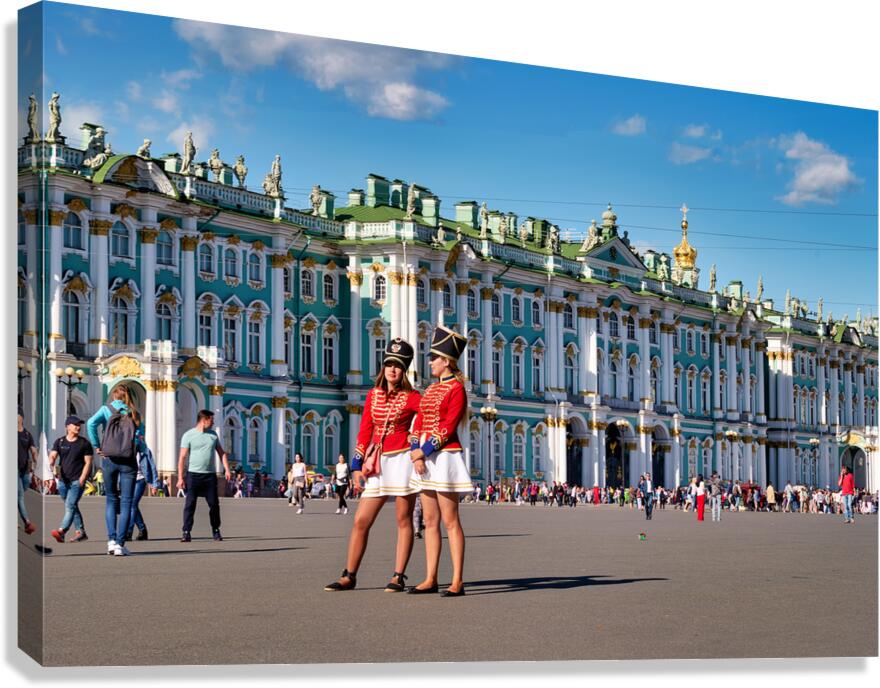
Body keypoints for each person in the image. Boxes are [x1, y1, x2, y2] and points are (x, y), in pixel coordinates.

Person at [325, 338, 421, 593]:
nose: (392, 369)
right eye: (389, 364)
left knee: (403, 519)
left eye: (398, 365)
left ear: (404, 370)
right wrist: (356, 466)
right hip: (377, 462)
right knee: (360, 520)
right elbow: (365, 429)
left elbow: (427, 417)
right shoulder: (372, 395)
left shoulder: (412, 397)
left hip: (401, 461)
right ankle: (349, 575)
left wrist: (416, 441)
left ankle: (398, 576)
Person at [408, 325, 472, 597]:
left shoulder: (457, 389)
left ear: (446, 361)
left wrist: (424, 450)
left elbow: (448, 426)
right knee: (429, 522)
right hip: (426, 459)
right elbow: (418, 421)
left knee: (450, 521)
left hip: (445, 457)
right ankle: (430, 577)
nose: (430, 362)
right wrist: (415, 452)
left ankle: (457, 580)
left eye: (433, 358)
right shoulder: (430, 390)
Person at [87, 384, 144, 556]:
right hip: (128, 461)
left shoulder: (106, 409)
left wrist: (97, 446)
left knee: (111, 499)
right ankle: (120, 544)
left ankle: (111, 541)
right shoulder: (135, 414)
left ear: (114, 397)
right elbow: (139, 440)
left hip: (109, 459)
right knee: (126, 502)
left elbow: (90, 424)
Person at [177, 409, 232, 542]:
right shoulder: (188, 435)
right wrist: (180, 477)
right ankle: (186, 532)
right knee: (190, 504)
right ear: (204, 420)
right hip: (193, 475)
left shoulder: (213, 435)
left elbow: (221, 453)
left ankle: (216, 530)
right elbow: (182, 457)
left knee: (214, 504)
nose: (213, 423)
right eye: (211, 420)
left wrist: (227, 469)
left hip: (209, 476)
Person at [49, 416, 93, 543]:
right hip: (63, 481)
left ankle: (62, 530)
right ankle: (81, 532)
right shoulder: (60, 442)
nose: (78, 427)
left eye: (79, 425)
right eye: (75, 424)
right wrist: (51, 462)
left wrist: (83, 478)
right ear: (67, 426)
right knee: (72, 506)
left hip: (77, 480)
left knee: (70, 505)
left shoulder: (84, 443)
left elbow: (88, 462)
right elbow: (53, 455)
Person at [126, 443, 160, 541]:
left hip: (140, 480)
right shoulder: (125, 448)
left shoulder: (145, 450)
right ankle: (143, 530)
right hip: (128, 480)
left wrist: (154, 484)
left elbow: (152, 466)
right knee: (133, 506)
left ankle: (129, 531)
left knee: (132, 504)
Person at [17, 407, 38, 535]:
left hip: (24, 470)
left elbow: (33, 451)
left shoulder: (27, 434)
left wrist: (37, 465)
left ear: (21, 417)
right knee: (19, 496)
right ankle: (27, 522)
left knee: (22, 490)